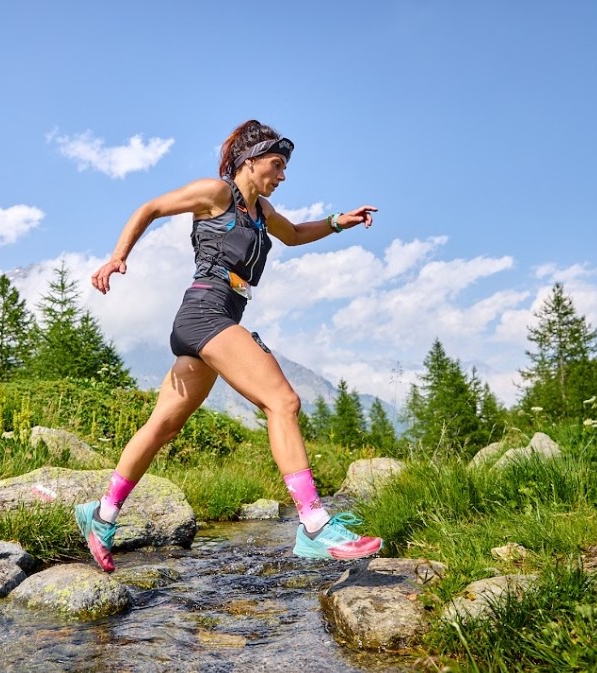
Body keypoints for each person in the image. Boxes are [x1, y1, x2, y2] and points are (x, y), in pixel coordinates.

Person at [75, 119, 383, 572]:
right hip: (206, 312)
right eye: (276, 165)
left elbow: (295, 234)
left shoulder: (263, 213)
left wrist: (340, 222)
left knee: (162, 426)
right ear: (250, 161)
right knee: (283, 401)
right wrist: (119, 255)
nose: (282, 175)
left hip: (214, 320)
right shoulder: (217, 194)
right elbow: (151, 207)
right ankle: (315, 525)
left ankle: (100, 516)